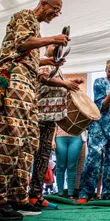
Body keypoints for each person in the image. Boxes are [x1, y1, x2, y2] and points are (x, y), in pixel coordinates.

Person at [0, 0, 69, 221]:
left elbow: (26, 53)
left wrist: (47, 61)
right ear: (44, 3)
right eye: (54, 9)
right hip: (16, 82)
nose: (55, 14)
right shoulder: (25, 16)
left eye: (59, 12)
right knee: (13, 139)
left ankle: (17, 197)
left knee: (29, 141)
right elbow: (20, 43)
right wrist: (53, 40)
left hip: (28, 84)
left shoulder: (34, 26)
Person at [28, 44, 83, 207]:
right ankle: (31, 195)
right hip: (40, 116)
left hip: (50, 118)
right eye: (54, 44)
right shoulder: (43, 63)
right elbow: (43, 79)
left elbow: (53, 83)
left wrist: (70, 82)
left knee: (43, 158)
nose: (57, 47)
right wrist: (65, 83)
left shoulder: (54, 66)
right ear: (46, 47)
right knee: (37, 157)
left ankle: (36, 194)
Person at [77, 60, 110, 204]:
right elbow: (102, 107)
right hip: (98, 127)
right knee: (93, 160)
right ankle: (85, 193)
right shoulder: (99, 82)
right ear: (105, 70)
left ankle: (108, 193)